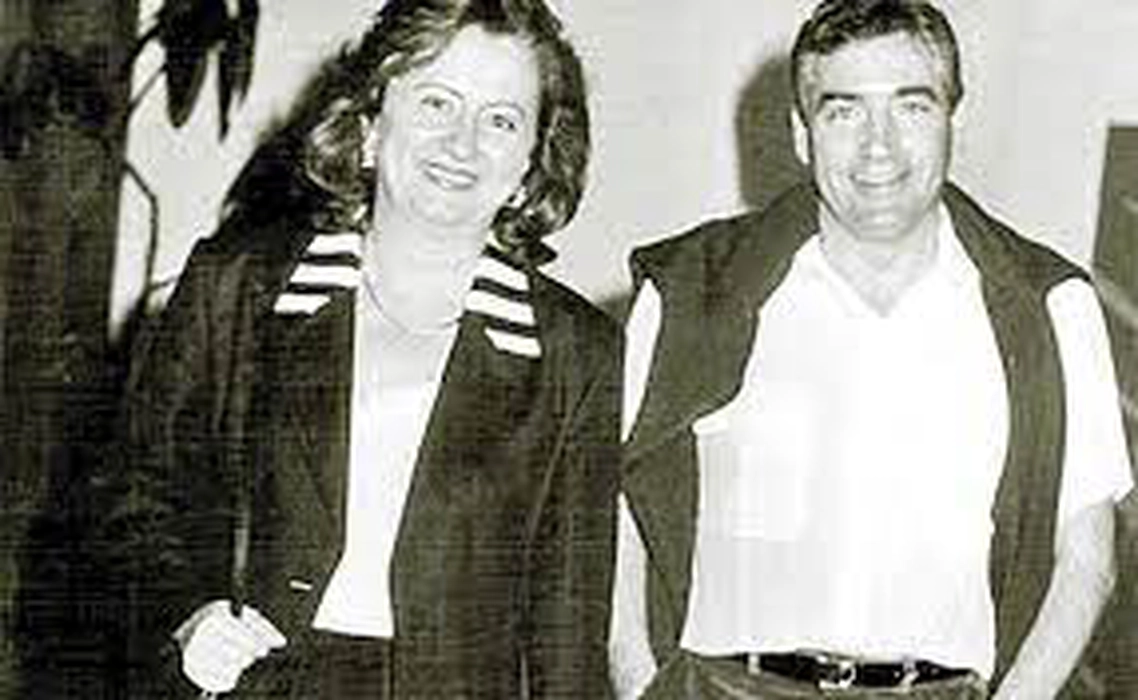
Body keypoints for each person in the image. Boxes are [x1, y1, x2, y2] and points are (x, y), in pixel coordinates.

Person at [609, 1, 1133, 698]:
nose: (877, 146)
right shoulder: (686, 292)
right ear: (801, 134)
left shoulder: (1049, 307)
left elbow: (1087, 560)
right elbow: (613, 516)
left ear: (954, 120)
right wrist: (638, 681)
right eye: (844, 111)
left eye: (911, 107)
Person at [113, 0, 620, 696]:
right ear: (370, 125)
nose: (462, 143)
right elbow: (133, 500)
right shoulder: (236, 287)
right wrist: (189, 616)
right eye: (436, 102)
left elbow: (568, 632)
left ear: (532, 163)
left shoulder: (578, 354)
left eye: (501, 120)